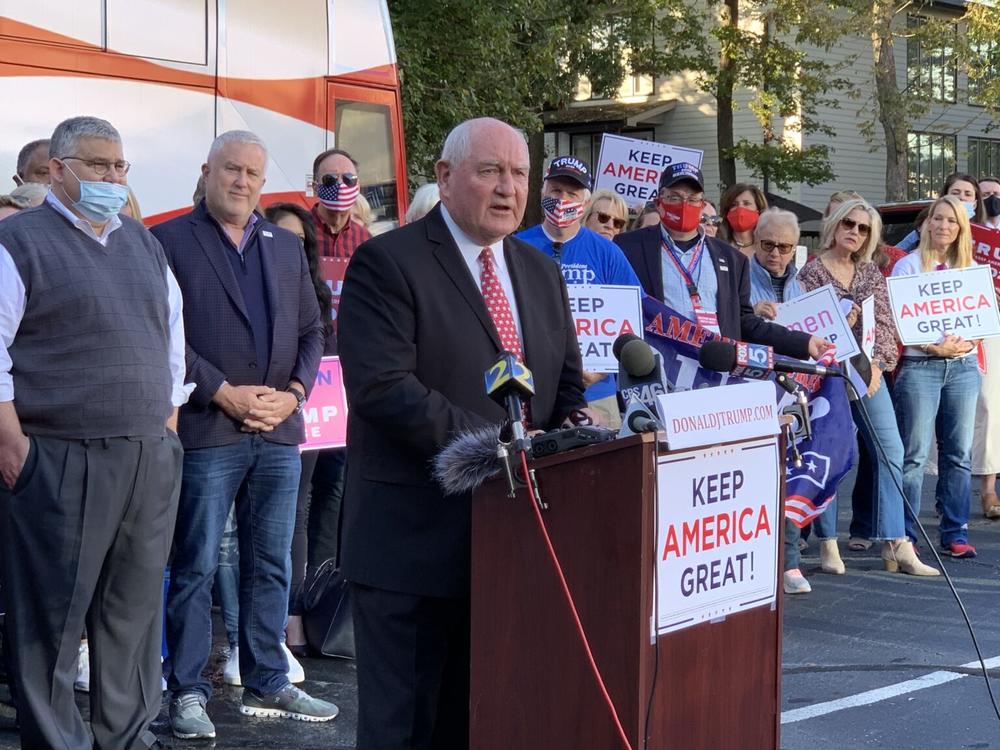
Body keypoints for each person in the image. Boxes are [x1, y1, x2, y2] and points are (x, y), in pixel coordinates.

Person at [337, 117, 588, 750]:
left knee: (481, 724)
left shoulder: (539, 270)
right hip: (412, 545)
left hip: (513, 545)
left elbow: (566, 386)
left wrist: (577, 432)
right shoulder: (387, 263)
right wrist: (497, 450)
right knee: (406, 730)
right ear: (445, 178)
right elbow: (382, 388)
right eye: (491, 171)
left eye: (519, 174)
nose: (509, 188)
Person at [0, 115, 186, 749]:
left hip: (146, 455)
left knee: (131, 618)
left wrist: (165, 424)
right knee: (52, 621)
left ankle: (127, 739)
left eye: (120, 166)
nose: (113, 178)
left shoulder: (143, 242)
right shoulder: (19, 241)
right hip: (59, 456)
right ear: (58, 169)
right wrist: (13, 448)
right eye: (99, 166)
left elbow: (172, 339)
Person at [155, 130, 334, 738]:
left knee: (271, 561)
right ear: (207, 171)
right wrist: (222, 391)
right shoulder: (168, 242)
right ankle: (187, 692)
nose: (242, 182)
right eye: (231, 170)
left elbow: (314, 332)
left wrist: (294, 393)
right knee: (198, 562)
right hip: (210, 425)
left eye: (253, 174)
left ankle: (268, 678)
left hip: (279, 428)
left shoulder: (284, 246)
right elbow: (165, 337)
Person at [798, 198, 938, 576]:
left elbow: (887, 326)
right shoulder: (810, 272)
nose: (855, 233)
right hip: (825, 376)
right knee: (829, 454)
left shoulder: (872, 274)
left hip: (867, 372)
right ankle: (827, 543)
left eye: (863, 228)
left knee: (891, 450)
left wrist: (878, 366)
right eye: (849, 224)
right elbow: (805, 326)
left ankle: (896, 543)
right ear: (834, 226)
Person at [614, 163, 831, 360]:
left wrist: (803, 341)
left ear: (702, 204)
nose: (684, 204)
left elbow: (745, 323)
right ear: (658, 202)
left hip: (712, 371)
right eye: (674, 197)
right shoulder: (627, 247)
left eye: (692, 199)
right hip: (655, 365)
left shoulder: (732, 259)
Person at [516, 155, 642, 427]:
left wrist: (605, 366)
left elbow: (634, 317)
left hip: (596, 394)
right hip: (529, 392)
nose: (562, 200)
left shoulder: (608, 252)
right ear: (542, 192)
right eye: (556, 191)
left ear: (585, 203)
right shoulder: (515, 246)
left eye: (571, 193)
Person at [264, 201, 336, 658]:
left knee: (304, 510)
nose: (292, 248)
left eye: (300, 242)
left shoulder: (314, 292)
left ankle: (296, 615)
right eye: (282, 239)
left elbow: (320, 342)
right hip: (253, 413)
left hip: (308, 414)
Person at [892, 195, 982, 558]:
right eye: (938, 219)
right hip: (920, 367)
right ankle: (905, 536)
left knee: (959, 453)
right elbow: (900, 323)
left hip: (963, 367)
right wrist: (934, 348)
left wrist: (970, 340)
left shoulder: (971, 268)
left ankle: (955, 532)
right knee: (913, 455)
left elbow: (981, 320)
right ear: (927, 223)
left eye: (952, 221)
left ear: (961, 229)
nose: (944, 226)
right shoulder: (908, 267)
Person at [746, 208, 810, 593]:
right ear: (755, 240)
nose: (775, 254)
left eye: (784, 247)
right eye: (768, 244)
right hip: (752, 387)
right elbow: (725, 322)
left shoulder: (801, 286)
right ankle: (760, 560)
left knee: (792, 471)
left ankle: (789, 562)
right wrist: (750, 314)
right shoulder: (738, 275)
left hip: (792, 388)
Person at [973, 176, 1000, 518]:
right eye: (985, 195)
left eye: (997, 195)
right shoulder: (961, 231)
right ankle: (988, 490)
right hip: (980, 329)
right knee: (989, 407)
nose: (992, 200)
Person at [310, 147, 370, 258]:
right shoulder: (298, 230)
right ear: (315, 187)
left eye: (349, 178)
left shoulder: (365, 239)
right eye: (330, 179)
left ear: (358, 186)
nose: (341, 185)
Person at [719, 182, 767, 256]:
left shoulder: (768, 247)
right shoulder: (718, 246)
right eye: (733, 205)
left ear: (759, 208)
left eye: (746, 203)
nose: (740, 208)